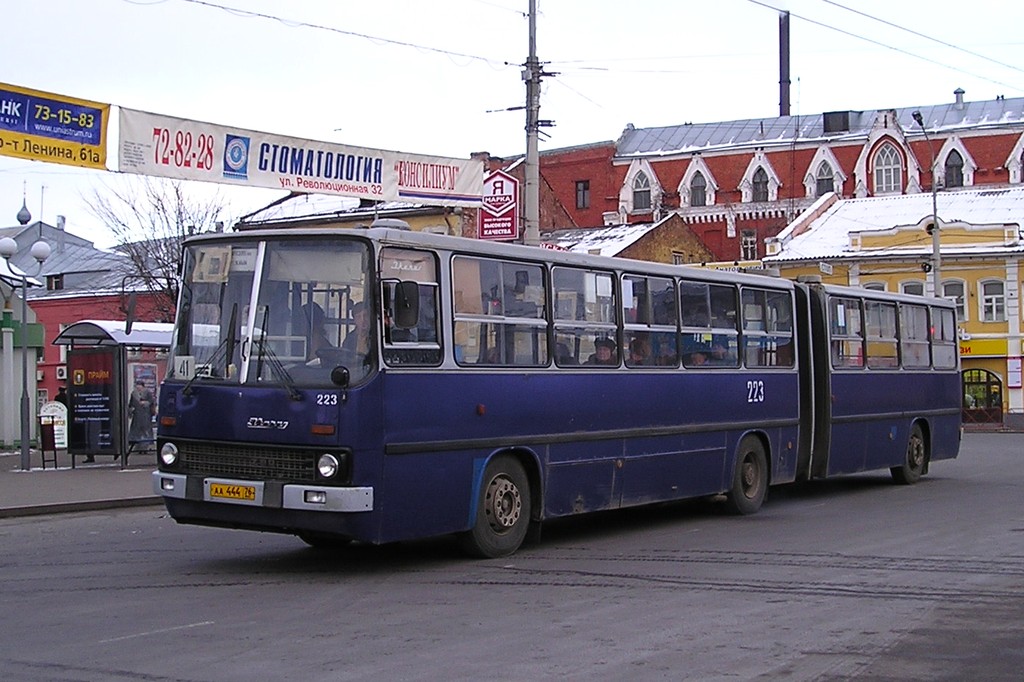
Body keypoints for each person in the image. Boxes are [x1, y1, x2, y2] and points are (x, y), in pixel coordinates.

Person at [128, 379, 156, 449]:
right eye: (137, 386)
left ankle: (146, 445)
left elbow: (152, 402)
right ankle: (137, 445)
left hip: (146, 414)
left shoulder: (147, 393)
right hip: (137, 415)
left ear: (143, 386)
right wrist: (131, 411)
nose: (138, 387)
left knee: (146, 430)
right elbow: (131, 404)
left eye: (140, 386)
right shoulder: (134, 393)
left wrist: (145, 403)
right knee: (136, 430)